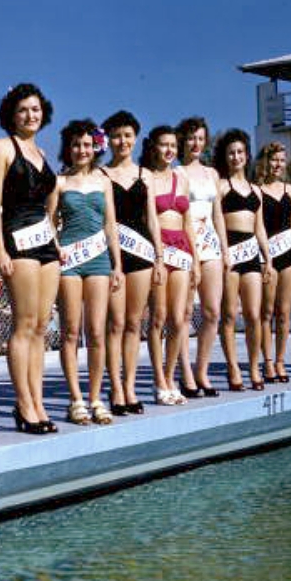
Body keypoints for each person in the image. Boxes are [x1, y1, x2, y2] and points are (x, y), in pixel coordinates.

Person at [0, 83, 60, 433]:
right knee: (24, 323)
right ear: (11, 115)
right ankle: (24, 403)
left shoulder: (43, 152)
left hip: (46, 243)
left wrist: (56, 241)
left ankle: (38, 399)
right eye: (23, 110)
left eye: (35, 109)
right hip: (17, 239)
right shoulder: (2, 147)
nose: (30, 115)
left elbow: (49, 205)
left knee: (42, 327)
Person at [48, 119, 123, 425]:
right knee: (70, 331)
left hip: (99, 260)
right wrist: (56, 248)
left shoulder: (104, 181)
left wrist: (117, 265)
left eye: (87, 144)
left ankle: (95, 397)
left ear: (96, 147)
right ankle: (75, 399)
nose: (82, 150)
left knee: (96, 332)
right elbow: (49, 222)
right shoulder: (59, 182)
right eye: (76, 144)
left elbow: (111, 225)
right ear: (68, 148)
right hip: (69, 260)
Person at [101, 111, 164, 416]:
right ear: (108, 139)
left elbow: (151, 218)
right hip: (112, 255)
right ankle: (114, 388)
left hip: (141, 253)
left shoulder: (145, 175)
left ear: (135, 138)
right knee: (115, 323)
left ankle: (130, 386)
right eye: (116, 135)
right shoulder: (100, 175)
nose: (122, 141)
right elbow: (107, 220)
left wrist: (160, 257)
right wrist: (113, 260)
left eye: (127, 135)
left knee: (134, 323)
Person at [142, 125, 198, 404]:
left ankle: (170, 373)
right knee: (159, 317)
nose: (169, 151)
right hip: (160, 248)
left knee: (179, 320)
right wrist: (157, 256)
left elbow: (189, 222)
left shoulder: (182, 178)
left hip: (183, 249)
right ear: (154, 147)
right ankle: (158, 379)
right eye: (164, 145)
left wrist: (196, 261)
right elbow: (149, 218)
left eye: (173, 146)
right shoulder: (147, 178)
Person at [215, 129, 271, 391]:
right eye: (231, 152)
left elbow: (260, 228)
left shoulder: (256, 191)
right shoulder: (221, 186)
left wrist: (267, 258)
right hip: (229, 250)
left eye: (240, 152)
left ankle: (253, 366)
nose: (236, 157)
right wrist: (225, 252)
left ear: (246, 156)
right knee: (228, 314)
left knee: (253, 314)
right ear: (225, 157)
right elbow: (216, 222)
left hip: (251, 253)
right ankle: (233, 367)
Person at [175, 117, 226, 397]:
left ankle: (201, 370)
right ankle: (185, 373)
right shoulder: (177, 173)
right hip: (186, 242)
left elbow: (217, 213)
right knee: (183, 313)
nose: (196, 144)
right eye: (191, 138)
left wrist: (225, 248)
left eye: (200, 138)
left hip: (212, 243)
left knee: (212, 312)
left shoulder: (212, 174)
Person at [256, 142, 291, 383]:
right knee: (266, 312)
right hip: (268, 256)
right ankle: (266, 362)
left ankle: (280, 360)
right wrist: (266, 257)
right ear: (265, 161)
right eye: (274, 159)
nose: (278, 164)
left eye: (281, 160)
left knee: (284, 312)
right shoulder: (258, 190)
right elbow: (258, 226)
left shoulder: (289, 190)